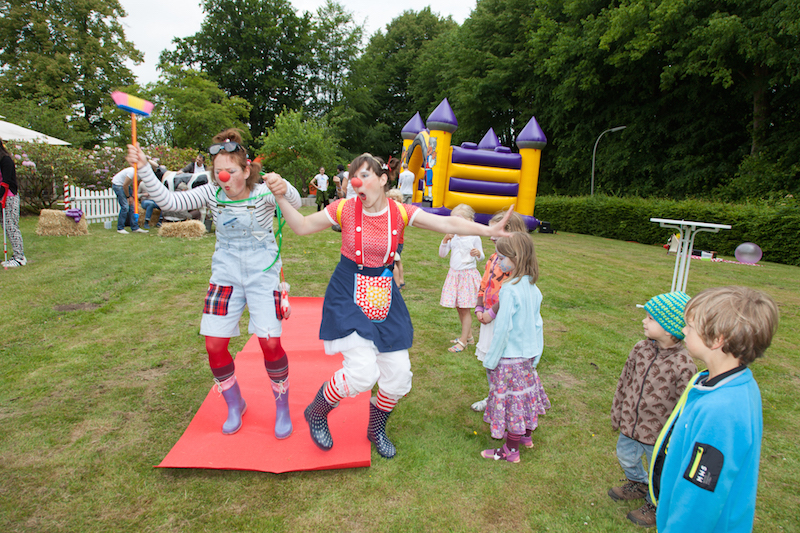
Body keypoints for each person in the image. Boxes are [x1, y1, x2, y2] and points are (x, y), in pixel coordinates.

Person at [264, 153, 514, 459]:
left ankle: (376, 427)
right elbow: (302, 226)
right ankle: (317, 410)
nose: (357, 181)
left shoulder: (400, 211)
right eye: (354, 176)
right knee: (362, 373)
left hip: (384, 294)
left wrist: (488, 231)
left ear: (383, 180)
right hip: (347, 292)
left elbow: (446, 221)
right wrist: (281, 197)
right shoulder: (343, 208)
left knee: (398, 376)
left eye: (366, 175)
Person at [125, 128, 302, 439]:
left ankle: (282, 406)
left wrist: (284, 186)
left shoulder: (262, 193)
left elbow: (297, 204)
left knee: (270, 343)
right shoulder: (210, 192)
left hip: (263, 275)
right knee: (214, 345)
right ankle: (235, 404)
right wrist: (142, 168)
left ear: (246, 170)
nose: (223, 176)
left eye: (230, 170)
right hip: (226, 275)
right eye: (218, 170)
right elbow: (168, 201)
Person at [649, 286, 779, 532]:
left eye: (689, 325)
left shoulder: (722, 412)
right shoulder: (728, 382)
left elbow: (699, 498)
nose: (683, 330)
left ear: (717, 339)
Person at [609, 291, 697, 528]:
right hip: (630, 423)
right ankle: (638, 482)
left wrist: (677, 436)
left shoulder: (684, 364)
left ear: (669, 328)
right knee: (625, 456)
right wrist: (618, 410)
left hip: (659, 434)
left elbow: (685, 405)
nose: (644, 321)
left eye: (650, 318)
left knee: (662, 472)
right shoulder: (640, 349)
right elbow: (625, 380)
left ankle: (657, 503)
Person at [480, 232, 550, 463]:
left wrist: (491, 359)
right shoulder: (533, 287)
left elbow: (503, 329)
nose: (498, 262)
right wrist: (537, 354)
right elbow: (538, 324)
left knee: (512, 403)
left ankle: (511, 451)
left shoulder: (509, 289)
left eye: (501, 258)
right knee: (525, 396)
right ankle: (526, 437)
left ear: (516, 257)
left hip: (510, 358)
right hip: (528, 356)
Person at [471, 209, 528, 412]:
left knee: (502, 363)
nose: (492, 236)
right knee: (489, 361)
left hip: (502, 320)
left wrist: (491, 313)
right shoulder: (494, 258)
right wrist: (479, 306)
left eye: (498, 232)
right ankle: (494, 396)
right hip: (487, 317)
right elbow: (484, 283)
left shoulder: (516, 263)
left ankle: (503, 399)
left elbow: (509, 293)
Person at [439, 204, 484, 352]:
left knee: (465, 309)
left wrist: (478, 253)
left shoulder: (474, 236)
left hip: (467, 276)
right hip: (454, 275)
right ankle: (469, 336)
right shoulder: (453, 236)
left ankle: (463, 341)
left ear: (469, 221)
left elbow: (481, 257)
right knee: (459, 307)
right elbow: (442, 254)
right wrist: (445, 240)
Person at [0, 138, 26, 267]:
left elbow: (6, 181)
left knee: (11, 225)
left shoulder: (6, 160)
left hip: (8, 196)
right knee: (5, 226)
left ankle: (19, 257)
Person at [110, 167, 148, 234]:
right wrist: (128, 197)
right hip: (118, 185)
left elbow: (136, 183)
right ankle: (120, 228)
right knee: (125, 207)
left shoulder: (142, 174)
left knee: (132, 206)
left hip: (126, 185)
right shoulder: (132, 172)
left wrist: (134, 194)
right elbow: (125, 185)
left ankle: (135, 228)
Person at [386, 189, 406, 288]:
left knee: (393, 263)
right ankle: (401, 281)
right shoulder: (399, 211)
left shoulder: (397, 212)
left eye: (393, 199)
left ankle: (396, 284)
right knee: (398, 261)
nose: (391, 200)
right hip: (398, 241)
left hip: (396, 242)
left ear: (399, 201)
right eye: (389, 198)